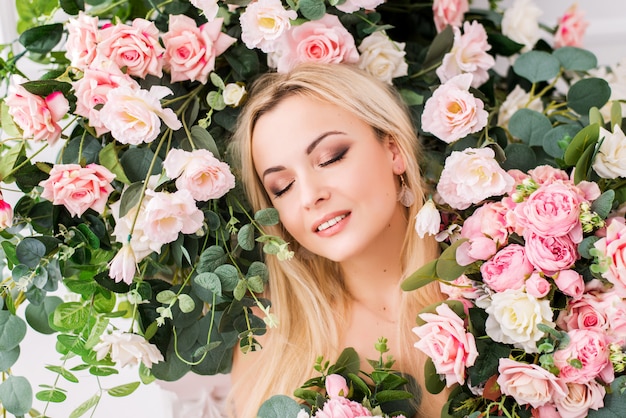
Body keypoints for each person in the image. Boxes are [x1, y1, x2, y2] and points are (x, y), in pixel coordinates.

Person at [228, 62, 447, 417]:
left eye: (330, 158)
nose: (309, 196)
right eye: (282, 187)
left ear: (393, 150)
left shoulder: (501, 280)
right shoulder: (269, 343)